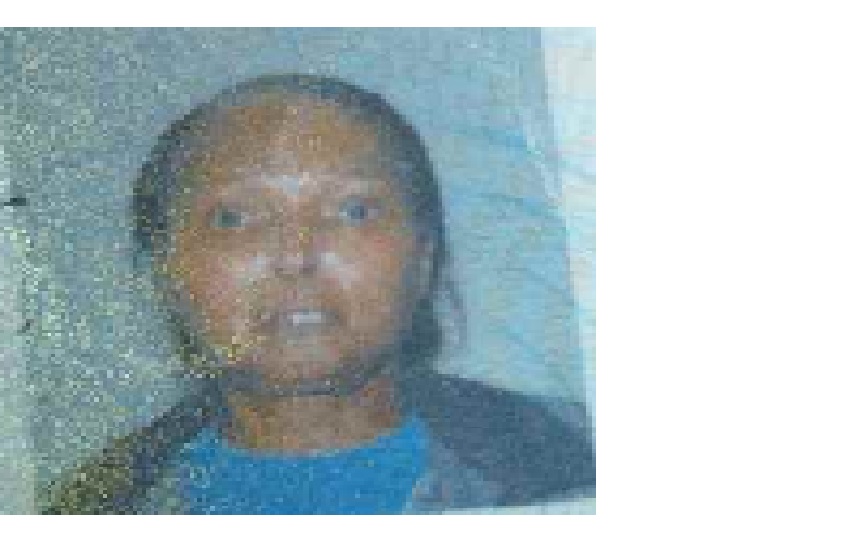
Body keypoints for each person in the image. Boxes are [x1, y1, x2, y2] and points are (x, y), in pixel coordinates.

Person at [47, 74, 595, 514]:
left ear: (425, 256)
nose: (295, 257)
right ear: (163, 267)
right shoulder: (92, 508)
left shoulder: (583, 461)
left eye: (353, 211)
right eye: (234, 218)